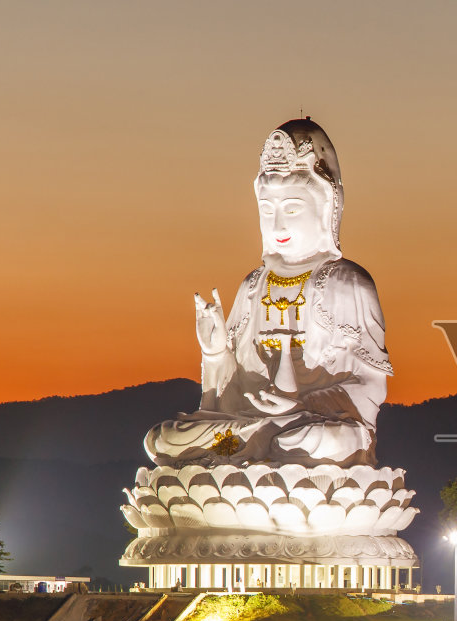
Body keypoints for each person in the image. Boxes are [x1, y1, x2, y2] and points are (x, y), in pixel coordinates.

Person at [145, 119, 392, 467]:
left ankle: (254, 454)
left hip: (309, 423)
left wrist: (301, 406)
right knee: (164, 439)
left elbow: (370, 385)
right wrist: (215, 353)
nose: (278, 225)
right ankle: (253, 451)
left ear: (325, 209)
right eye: (267, 209)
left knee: (316, 440)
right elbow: (229, 398)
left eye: (292, 209)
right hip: (249, 425)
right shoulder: (253, 286)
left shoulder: (347, 282)